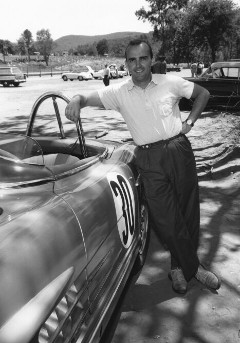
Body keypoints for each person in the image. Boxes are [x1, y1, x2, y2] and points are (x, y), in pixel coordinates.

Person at [65, 39, 221, 295]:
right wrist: (75, 99)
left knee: (187, 211)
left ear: (151, 59)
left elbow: (202, 94)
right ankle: (196, 268)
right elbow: (86, 97)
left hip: (179, 149)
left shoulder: (170, 82)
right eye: (132, 60)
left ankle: (178, 269)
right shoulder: (119, 92)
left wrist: (190, 123)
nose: (138, 65)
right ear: (126, 63)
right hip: (148, 158)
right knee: (165, 219)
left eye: (143, 58)